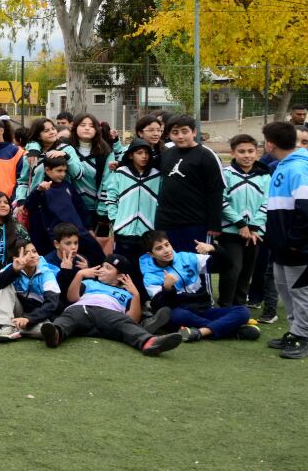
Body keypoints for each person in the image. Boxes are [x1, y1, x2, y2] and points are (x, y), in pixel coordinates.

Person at [261, 120, 308, 359]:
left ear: (270, 144)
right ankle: (297, 330)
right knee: (286, 288)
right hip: (283, 243)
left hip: (298, 245)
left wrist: (295, 239)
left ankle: (303, 337)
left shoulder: (298, 169)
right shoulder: (283, 165)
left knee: (302, 290)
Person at [40, 255, 184, 356]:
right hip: (82, 308)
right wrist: (80, 275)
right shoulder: (90, 283)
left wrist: (136, 295)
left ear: (120, 276)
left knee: (125, 324)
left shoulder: (126, 293)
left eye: (108, 268)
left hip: (110, 315)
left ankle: (149, 342)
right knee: (69, 317)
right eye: (102, 266)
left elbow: (132, 318)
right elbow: (72, 297)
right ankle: (55, 334)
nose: (102, 270)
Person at [139, 231, 257, 342]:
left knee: (243, 311)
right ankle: (233, 329)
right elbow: (161, 307)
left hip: (204, 309)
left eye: (167, 244)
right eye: (159, 248)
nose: (166, 250)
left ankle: (200, 332)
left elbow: (226, 266)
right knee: (177, 316)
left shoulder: (186, 257)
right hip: (180, 313)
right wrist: (167, 288)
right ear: (151, 254)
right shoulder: (150, 276)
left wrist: (214, 249)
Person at [154, 115, 224, 253]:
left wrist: (214, 224)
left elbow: (216, 191)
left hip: (195, 222)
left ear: (194, 132)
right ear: (169, 135)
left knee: (196, 264)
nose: (180, 136)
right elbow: (144, 164)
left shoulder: (206, 155)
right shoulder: (167, 154)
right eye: (175, 132)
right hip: (167, 222)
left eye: (184, 131)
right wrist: (120, 164)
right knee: (170, 264)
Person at [217, 134, 269, 308]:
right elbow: (221, 201)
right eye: (241, 152)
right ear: (233, 153)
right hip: (231, 232)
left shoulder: (265, 176)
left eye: (250, 151)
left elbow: (267, 202)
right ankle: (225, 305)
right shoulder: (226, 174)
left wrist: (253, 226)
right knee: (233, 269)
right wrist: (240, 224)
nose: (246, 155)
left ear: (257, 153)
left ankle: (240, 305)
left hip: (255, 233)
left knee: (247, 271)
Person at [0, 240, 60, 342]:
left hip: (38, 316)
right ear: (16, 258)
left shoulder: (46, 272)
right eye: (26, 253)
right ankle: (2, 325)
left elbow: (51, 304)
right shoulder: (13, 267)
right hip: (17, 310)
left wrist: (29, 319)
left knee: (46, 329)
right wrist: (13, 271)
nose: (33, 255)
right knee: (5, 285)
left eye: (34, 251)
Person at [105, 140, 161, 275]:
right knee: (122, 269)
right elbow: (111, 197)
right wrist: (114, 219)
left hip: (148, 232)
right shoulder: (120, 173)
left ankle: (143, 295)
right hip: (124, 231)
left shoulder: (157, 175)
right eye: (139, 153)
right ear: (130, 155)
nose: (144, 156)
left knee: (145, 270)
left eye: (147, 153)